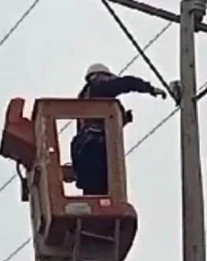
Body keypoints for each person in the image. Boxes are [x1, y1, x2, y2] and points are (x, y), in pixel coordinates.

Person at [71, 63, 167, 195]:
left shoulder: (84, 97)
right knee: (105, 184)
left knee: (93, 190)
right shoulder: (100, 86)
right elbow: (127, 83)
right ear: (100, 75)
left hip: (83, 148)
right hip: (97, 144)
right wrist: (150, 89)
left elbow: (90, 122)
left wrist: (123, 119)